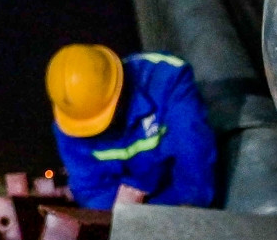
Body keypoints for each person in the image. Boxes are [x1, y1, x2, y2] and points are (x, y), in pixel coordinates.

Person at [47, 44, 215, 210]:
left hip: (180, 195)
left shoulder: (166, 79)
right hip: (133, 212)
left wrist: (190, 209)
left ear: (119, 90)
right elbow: (91, 190)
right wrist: (123, 217)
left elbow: (192, 150)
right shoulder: (72, 126)